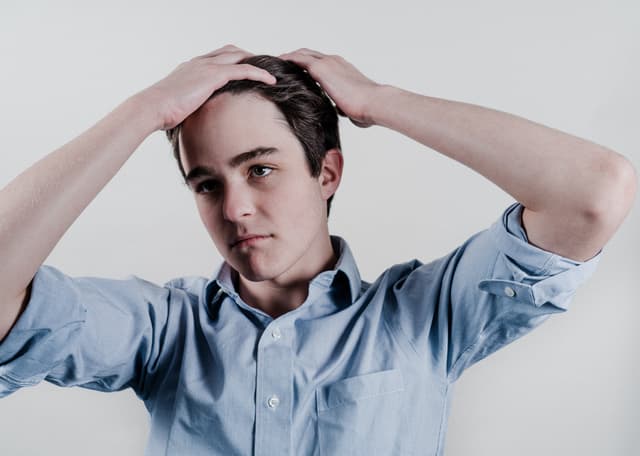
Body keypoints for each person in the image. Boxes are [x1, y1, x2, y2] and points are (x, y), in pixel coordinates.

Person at [0, 44, 635, 455]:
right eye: (206, 183)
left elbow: (595, 191)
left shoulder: (421, 317)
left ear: (326, 173)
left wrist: (379, 103)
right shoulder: (165, 331)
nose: (235, 208)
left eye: (261, 169)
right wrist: (141, 112)